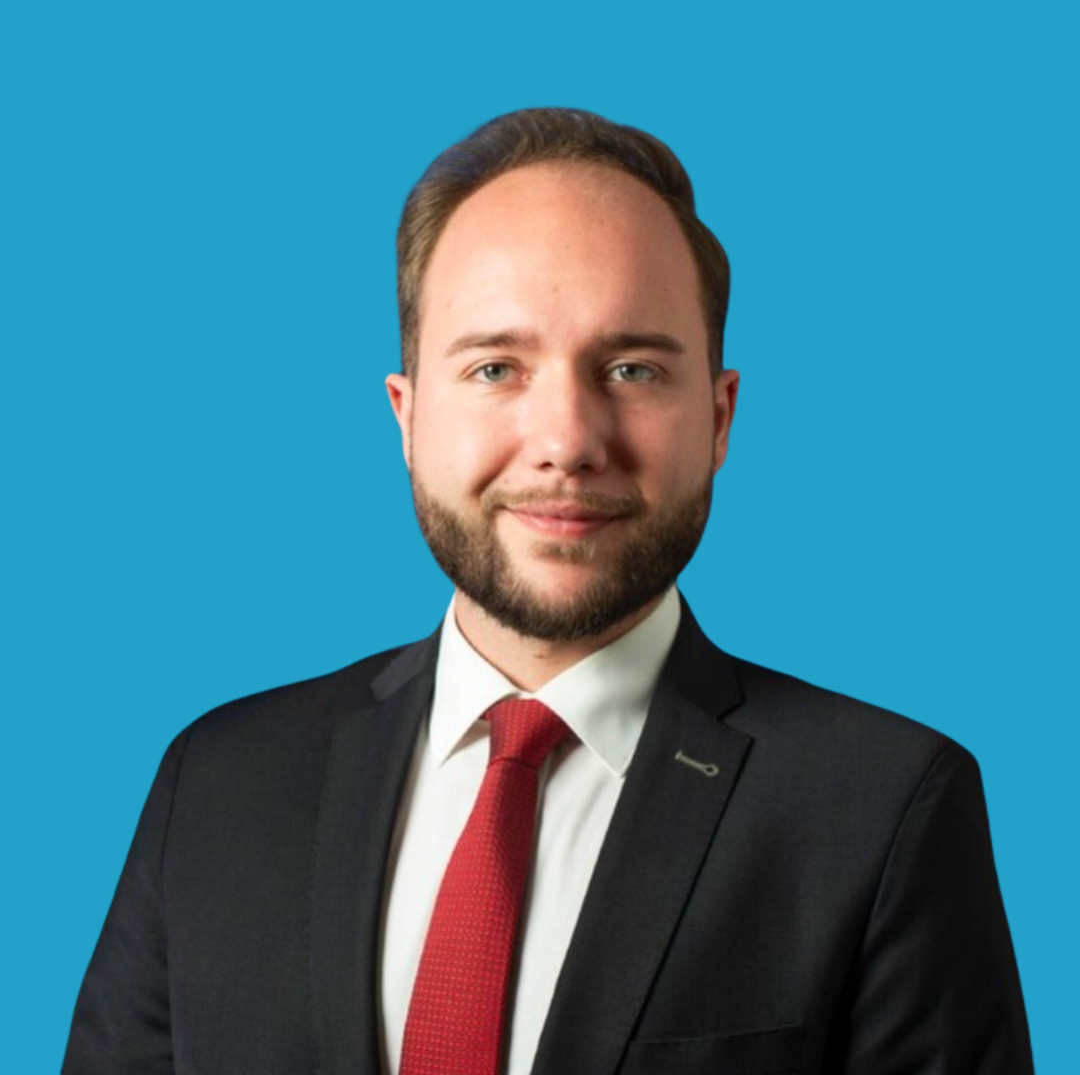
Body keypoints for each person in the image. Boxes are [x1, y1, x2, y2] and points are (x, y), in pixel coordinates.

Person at [63, 108, 1033, 1074]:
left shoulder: (884, 807)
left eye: (631, 368)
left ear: (720, 417)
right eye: (496, 367)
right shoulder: (218, 785)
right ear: (407, 417)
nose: (567, 441)